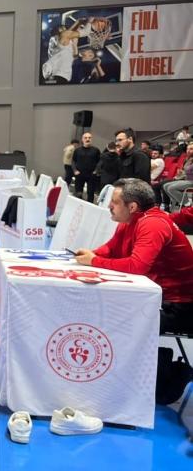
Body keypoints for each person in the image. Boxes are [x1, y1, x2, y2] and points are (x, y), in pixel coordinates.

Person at [75, 178, 193, 334]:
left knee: (107, 319)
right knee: (93, 307)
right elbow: (111, 249)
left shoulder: (153, 224)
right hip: (156, 297)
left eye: (114, 202)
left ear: (132, 207)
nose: (109, 206)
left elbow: (137, 266)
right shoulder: (130, 220)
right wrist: (92, 254)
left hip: (178, 306)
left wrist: (94, 261)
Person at [41, 18, 88, 84]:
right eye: (63, 29)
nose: (65, 30)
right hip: (56, 73)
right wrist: (82, 22)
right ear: (57, 30)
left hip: (62, 75)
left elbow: (75, 57)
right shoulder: (55, 38)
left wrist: (75, 45)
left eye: (65, 29)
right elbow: (68, 33)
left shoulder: (66, 43)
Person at [162, 142, 193, 211]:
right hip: (186, 179)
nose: (188, 150)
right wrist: (182, 172)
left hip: (191, 181)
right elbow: (186, 171)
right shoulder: (188, 159)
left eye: (191, 149)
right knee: (165, 186)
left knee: (171, 188)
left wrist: (183, 173)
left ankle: (187, 204)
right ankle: (178, 201)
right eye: (187, 149)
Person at [72, 131, 101, 202]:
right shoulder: (77, 150)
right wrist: (75, 170)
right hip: (79, 174)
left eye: (89, 138)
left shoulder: (96, 150)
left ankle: (89, 207)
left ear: (91, 139)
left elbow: (100, 162)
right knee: (78, 193)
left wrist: (96, 171)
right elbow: (73, 161)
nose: (87, 139)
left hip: (91, 175)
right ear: (82, 139)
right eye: (85, 138)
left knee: (90, 194)